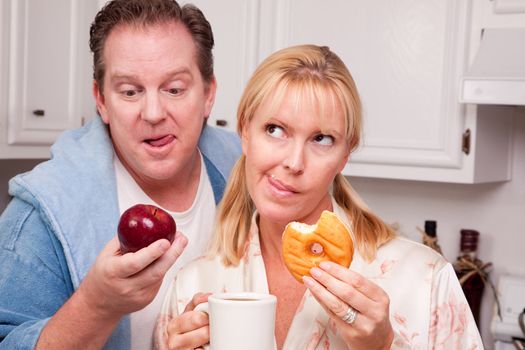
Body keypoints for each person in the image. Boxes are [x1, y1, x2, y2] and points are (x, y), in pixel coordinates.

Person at [155, 44, 484, 349]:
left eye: (322, 138)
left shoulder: (424, 280)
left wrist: (384, 346)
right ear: (244, 132)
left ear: (345, 155)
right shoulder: (193, 285)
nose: (294, 163)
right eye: (275, 129)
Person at [0, 0, 240, 349]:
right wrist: (97, 305)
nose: (154, 113)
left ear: (208, 94)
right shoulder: (39, 213)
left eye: (174, 89)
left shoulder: (248, 176)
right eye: (130, 91)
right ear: (101, 100)